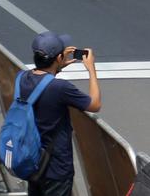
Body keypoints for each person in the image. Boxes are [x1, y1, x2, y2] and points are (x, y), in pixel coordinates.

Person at [19, 31, 101, 196]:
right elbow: (95, 104)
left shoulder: (22, 78)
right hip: (56, 168)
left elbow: (41, 80)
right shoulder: (59, 88)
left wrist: (58, 66)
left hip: (31, 160)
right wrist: (91, 69)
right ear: (57, 58)